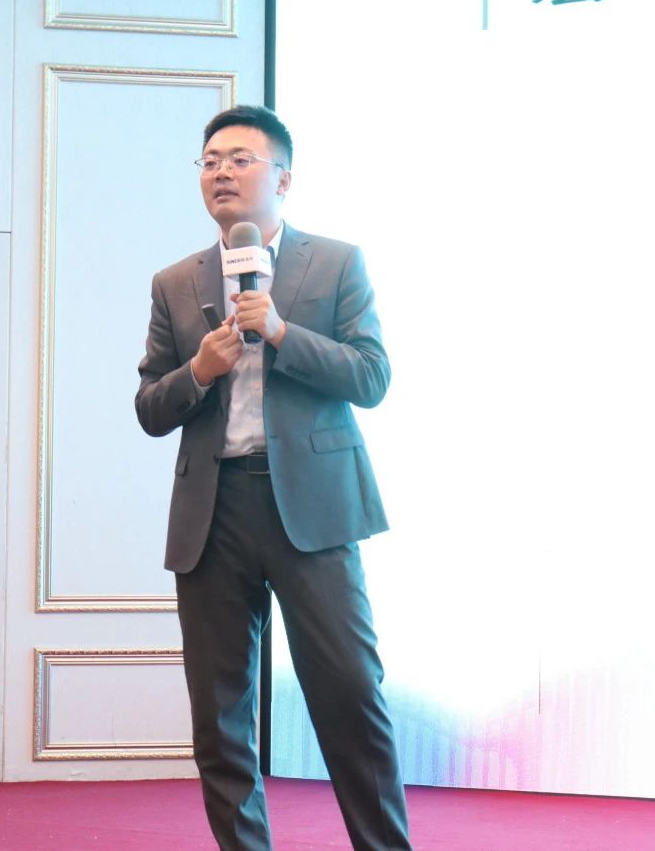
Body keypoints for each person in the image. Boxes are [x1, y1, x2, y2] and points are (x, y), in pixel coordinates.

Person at [135, 105, 411, 851]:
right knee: (220, 718)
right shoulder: (175, 282)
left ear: (283, 178)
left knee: (351, 695)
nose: (221, 172)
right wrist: (199, 370)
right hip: (213, 513)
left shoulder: (336, 263)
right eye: (210, 161)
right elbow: (150, 407)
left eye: (240, 159)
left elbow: (372, 376)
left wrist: (283, 331)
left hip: (313, 511)